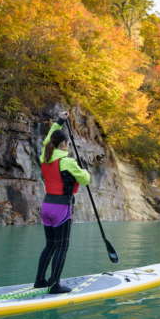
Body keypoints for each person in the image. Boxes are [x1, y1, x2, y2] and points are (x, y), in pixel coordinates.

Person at [34, 111, 90, 294]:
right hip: (61, 208)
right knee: (62, 246)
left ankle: (40, 281)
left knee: (50, 245)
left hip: (46, 206)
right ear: (65, 144)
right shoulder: (67, 161)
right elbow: (84, 180)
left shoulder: (45, 156)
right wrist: (85, 170)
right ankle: (54, 285)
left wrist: (59, 121)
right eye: (67, 143)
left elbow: (48, 139)